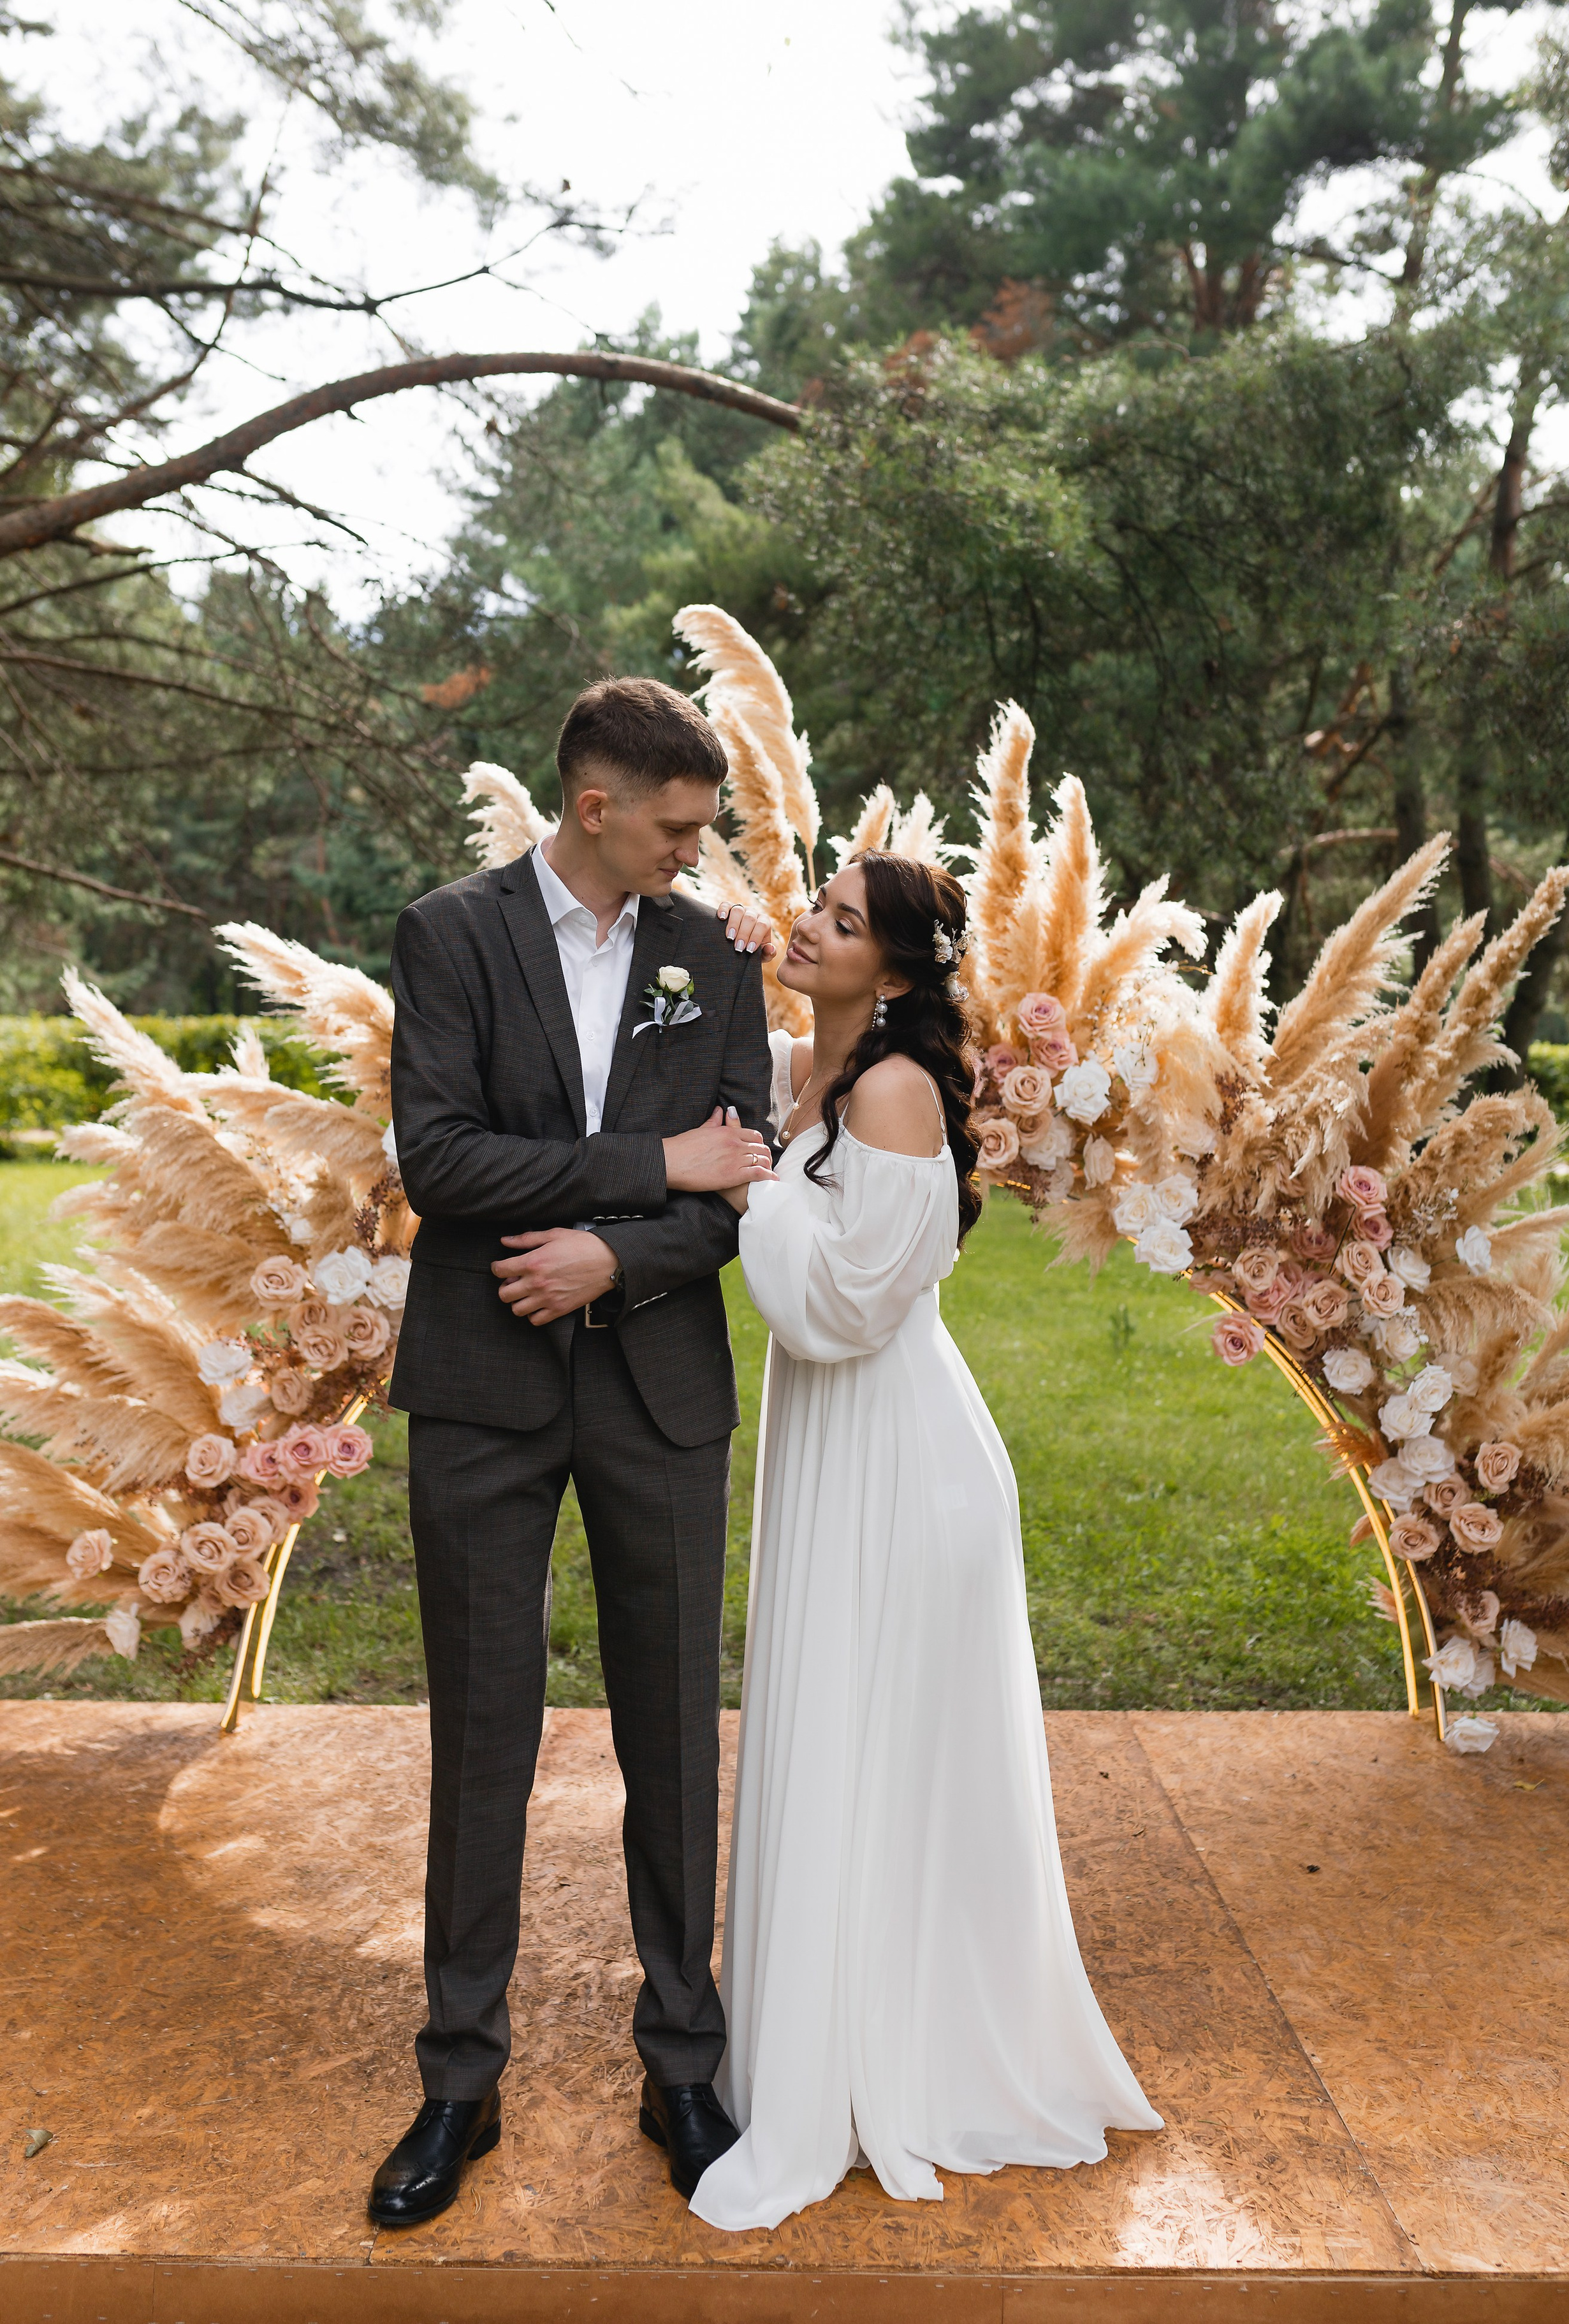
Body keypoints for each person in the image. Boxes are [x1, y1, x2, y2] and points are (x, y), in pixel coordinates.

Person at [688, 848, 1162, 2233]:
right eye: (812, 906)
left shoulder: (892, 1092)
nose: (807, 927)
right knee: (836, 1728)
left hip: (902, 1459)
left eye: (838, 922)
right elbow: (738, 1040)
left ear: (891, 972)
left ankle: (905, 2052)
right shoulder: (800, 1066)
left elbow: (837, 1309)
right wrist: (719, 935)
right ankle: (821, 2034)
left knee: (883, 1744)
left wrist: (746, 1190)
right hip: (834, 1448)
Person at [369, 677, 780, 2228]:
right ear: (594, 807)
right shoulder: (449, 931)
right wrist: (643, 1165)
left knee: (671, 1732)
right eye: (677, 824)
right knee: (481, 1733)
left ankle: (681, 2057)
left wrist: (623, 1254)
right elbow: (442, 1155)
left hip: (657, 1384)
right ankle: (458, 2080)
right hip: (482, 1388)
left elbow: (737, 1173)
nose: (700, 848)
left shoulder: (707, 950)